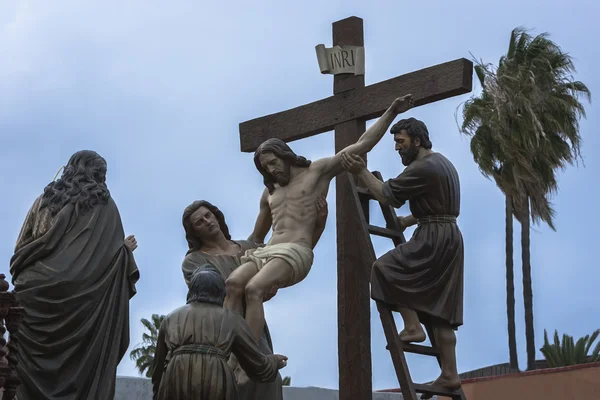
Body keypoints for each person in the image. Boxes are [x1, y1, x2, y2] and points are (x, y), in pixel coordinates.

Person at [224, 94, 415, 342]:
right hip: (267, 252)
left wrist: (392, 110)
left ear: (285, 155)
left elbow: (363, 144)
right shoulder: (269, 192)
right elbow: (256, 237)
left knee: (253, 289)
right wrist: (228, 251)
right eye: (265, 168)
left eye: (273, 163)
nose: (271, 170)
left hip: (295, 250)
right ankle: (225, 351)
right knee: (232, 284)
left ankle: (248, 360)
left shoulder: (316, 172)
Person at [339, 117, 464, 391]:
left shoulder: (423, 167)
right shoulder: (443, 163)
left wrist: (361, 172)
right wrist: (408, 221)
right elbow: (438, 205)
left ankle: (412, 327)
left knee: (383, 268)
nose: (397, 148)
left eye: (400, 141)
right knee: (439, 309)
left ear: (417, 141)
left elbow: (387, 195)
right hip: (449, 235)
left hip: (433, 239)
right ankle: (450, 373)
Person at [10, 150, 140, 400]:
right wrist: (125, 250)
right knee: (83, 369)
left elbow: (21, 249)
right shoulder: (105, 205)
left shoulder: (44, 201)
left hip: (35, 291)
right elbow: (108, 259)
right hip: (85, 300)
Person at [181, 197, 328, 399]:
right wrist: (259, 286)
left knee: (266, 378)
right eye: (200, 222)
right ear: (194, 232)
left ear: (216, 216)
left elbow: (293, 249)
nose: (207, 221)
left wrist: (319, 222)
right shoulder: (194, 260)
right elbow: (211, 291)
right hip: (219, 329)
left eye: (208, 215)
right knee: (225, 378)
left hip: (253, 324)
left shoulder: (248, 248)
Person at [151, 266, 288, 400]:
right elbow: (255, 362)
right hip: (216, 379)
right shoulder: (231, 319)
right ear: (220, 292)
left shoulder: (171, 318)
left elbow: (158, 367)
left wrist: (157, 393)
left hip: (176, 376)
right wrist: (274, 362)